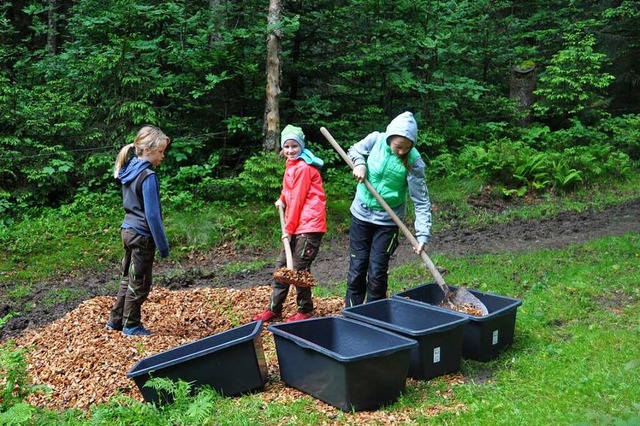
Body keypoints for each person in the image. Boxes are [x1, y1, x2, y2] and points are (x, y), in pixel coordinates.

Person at [345, 111, 432, 307]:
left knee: (376, 272)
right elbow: (355, 150)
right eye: (398, 147)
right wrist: (359, 164)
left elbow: (421, 201)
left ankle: (376, 316)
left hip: (388, 222)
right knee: (357, 268)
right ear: (389, 138)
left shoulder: (414, 161)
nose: (402, 152)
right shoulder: (376, 140)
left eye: (407, 148)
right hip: (361, 214)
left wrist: (423, 235)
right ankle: (352, 313)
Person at [253, 124, 327, 323]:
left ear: (301, 146)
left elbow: (298, 200)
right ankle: (274, 309)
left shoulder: (303, 168)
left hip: (309, 226)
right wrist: (282, 199)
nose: (290, 150)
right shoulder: (291, 165)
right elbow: (289, 192)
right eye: (287, 147)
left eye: (294, 146)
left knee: (298, 271)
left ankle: (306, 309)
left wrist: (288, 229)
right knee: (282, 269)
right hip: (297, 224)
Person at [105, 125, 171, 336]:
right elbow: (152, 216)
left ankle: (115, 321)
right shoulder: (148, 177)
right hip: (142, 235)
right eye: (160, 151)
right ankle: (131, 324)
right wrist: (163, 245)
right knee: (140, 282)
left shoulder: (129, 169)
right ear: (148, 151)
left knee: (127, 277)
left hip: (127, 231)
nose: (162, 156)